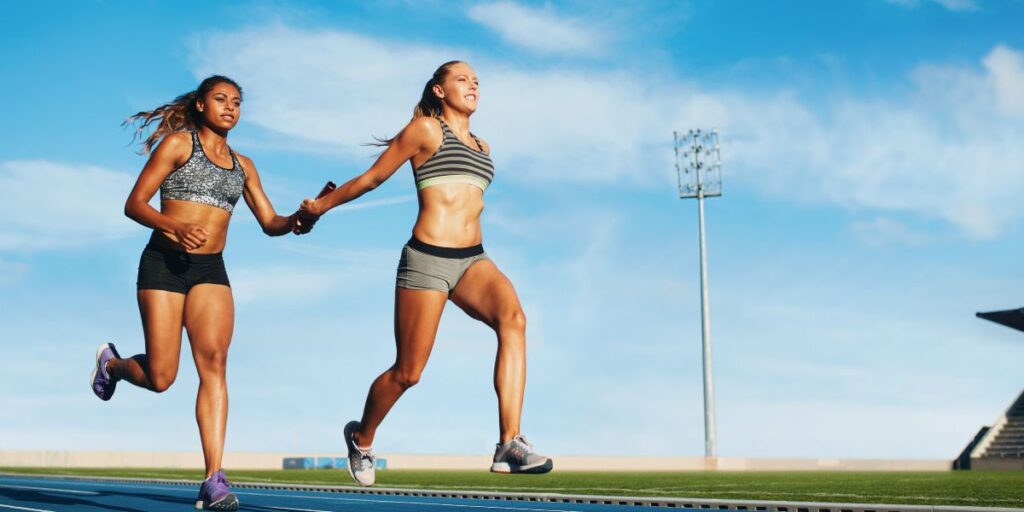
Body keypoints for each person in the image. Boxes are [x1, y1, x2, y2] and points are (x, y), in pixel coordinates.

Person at [299, 60, 552, 487]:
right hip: (426, 259)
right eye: (462, 79)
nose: (472, 85)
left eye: (476, 81)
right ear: (438, 90)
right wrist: (320, 207)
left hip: (473, 260)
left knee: (515, 320)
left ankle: (509, 441)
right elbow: (372, 178)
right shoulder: (426, 131)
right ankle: (361, 437)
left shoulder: (483, 147)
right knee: (409, 372)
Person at [89, 75, 311, 510]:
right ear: (200, 105)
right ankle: (111, 364)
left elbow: (270, 222)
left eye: (237, 102)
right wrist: (174, 225)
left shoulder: (243, 165)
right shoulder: (177, 145)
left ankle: (214, 479)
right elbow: (134, 204)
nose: (230, 107)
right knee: (162, 378)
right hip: (163, 265)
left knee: (214, 365)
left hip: (210, 270)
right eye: (221, 99)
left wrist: (298, 221)